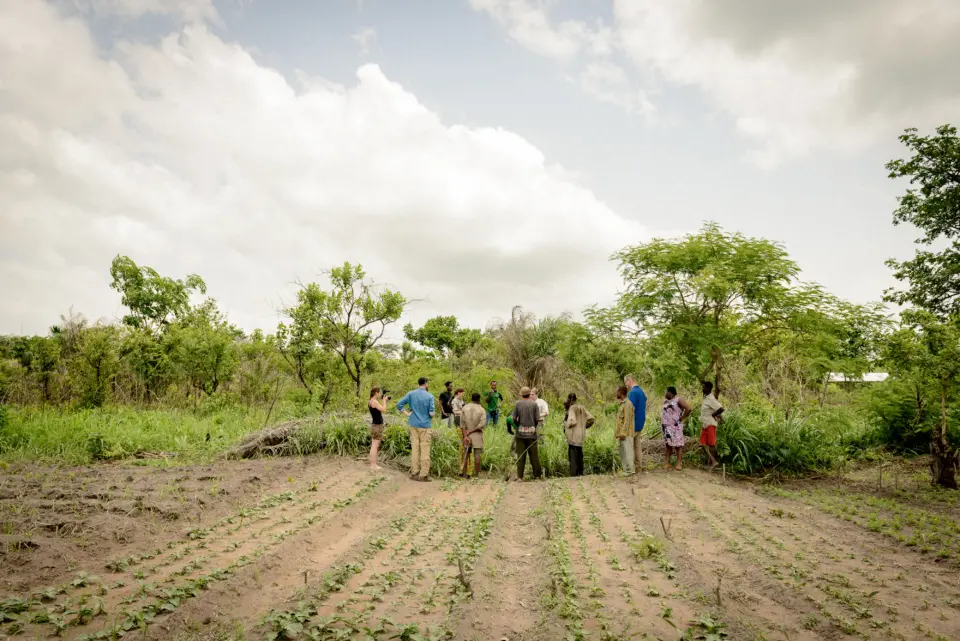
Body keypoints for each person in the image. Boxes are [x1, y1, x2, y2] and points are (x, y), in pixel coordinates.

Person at [395, 377, 436, 482]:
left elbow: (399, 404)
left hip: (413, 424)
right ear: (426, 383)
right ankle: (424, 475)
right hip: (425, 426)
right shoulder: (429, 396)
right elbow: (431, 413)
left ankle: (414, 473)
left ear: (418, 383)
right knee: (425, 449)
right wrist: (432, 415)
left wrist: (407, 413)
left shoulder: (411, 394)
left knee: (415, 449)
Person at [511, 386, 542, 480]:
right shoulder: (534, 404)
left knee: (520, 456)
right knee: (534, 456)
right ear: (529, 394)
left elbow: (513, 418)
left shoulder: (518, 404)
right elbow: (537, 419)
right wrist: (533, 426)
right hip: (532, 433)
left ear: (521, 394)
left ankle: (520, 477)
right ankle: (537, 476)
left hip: (520, 434)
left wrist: (518, 425)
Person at [564, 393, 594, 477]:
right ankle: (580, 473)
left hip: (573, 435)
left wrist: (566, 425)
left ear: (569, 400)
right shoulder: (582, 407)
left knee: (573, 455)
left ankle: (573, 474)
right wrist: (583, 426)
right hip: (580, 435)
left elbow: (572, 421)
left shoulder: (572, 408)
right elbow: (591, 419)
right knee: (580, 454)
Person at [661, 387, 691, 470]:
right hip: (666, 427)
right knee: (667, 445)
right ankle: (667, 463)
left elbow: (688, 408)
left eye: (665, 391)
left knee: (678, 445)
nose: (664, 393)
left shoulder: (678, 400)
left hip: (675, 427)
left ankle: (678, 465)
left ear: (670, 392)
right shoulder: (665, 401)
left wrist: (682, 418)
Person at [460, 393, 486, 478]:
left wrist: (465, 435)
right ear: (479, 399)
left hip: (466, 434)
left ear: (472, 399)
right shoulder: (481, 409)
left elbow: (462, 424)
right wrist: (472, 431)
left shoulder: (465, 408)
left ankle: (464, 474)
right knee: (477, 456)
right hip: (477, 435)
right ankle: (476, 476)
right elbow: (482, 424)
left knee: (465, 454)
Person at [625, 375, 648, 473]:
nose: (625, 384)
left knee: (628, 446)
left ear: (629, 380)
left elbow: (629, 408)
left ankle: (630, 469)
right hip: (640, 422)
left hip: (633, 424)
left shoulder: (633, 393)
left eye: (625, 382)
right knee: (637, 446)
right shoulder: (641, 391)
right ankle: (639, 467)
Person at [699, 381, 723, 471]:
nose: (702, 389)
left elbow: (721, 408)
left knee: (711, 445)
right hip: (705, 424)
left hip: (710, 424)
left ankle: (713, 463)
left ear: (709, 388)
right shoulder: (706, 398)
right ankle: (712, 462)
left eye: (704, 387)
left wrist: (714, 414)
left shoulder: (711, 399)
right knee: (702, 444)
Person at [615, 385, 636, 476]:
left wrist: (623, 433)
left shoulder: (628, 403)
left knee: (628, 452)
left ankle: (630, 470)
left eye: (617, 391)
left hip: (626, 433)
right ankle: (625, 470)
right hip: (621, 433)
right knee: (623, 452)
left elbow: (627, 420)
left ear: (621, 392)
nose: (616, 393)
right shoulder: (622, 403)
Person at [368, 387, 390, 470]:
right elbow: (383, 409)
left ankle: (373, 464)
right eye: (379, 392)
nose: (380, 394)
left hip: (375, 425)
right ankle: (373, 465)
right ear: (376, 393)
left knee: (374, 445)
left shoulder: (371, 401)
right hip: (377, 425)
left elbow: (379, 409)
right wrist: (384, 401)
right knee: (375, 445)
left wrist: (383, 401)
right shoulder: (374, 401)